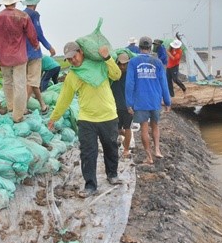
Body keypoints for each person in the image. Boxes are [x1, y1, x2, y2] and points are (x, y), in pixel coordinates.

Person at [47, 41, 122, 197]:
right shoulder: (73, 76)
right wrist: (54, 117)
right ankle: (90, 185)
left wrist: (107, 58)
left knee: (111, 147)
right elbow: (64, 98)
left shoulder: (99, 65)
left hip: (108, 115)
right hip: (87, 119)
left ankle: (112, 174)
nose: (73, 60)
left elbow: (117, 75)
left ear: (81, 52)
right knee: (88, 153)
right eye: (69, 59)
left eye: (74, 56)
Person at [0, 0, 39, 123]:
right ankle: (18, 115)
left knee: (7, 82)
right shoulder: (23, 16)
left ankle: (11, 107)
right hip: (19, 56)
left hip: (4, 57)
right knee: (20, 85)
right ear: (15, 2)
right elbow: (32, 34)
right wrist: (35, 44)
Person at [125, 37, 171, 166]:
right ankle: (157, 150)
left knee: (144, 128)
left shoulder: (133, 62)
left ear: (139, 47)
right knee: (155, 125)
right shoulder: (157, 62)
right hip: (155, 100)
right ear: (150, 48)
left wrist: (129, 103)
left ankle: (149, 157)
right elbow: (164, 83)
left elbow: (129, 84)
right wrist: (167, 101)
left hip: (140, 101)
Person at [22, 0, 56, 114]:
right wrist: (49, 47)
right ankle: (22, 107)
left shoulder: (21, 14)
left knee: (32, 80)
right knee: (32, 81)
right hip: (34, 52)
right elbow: (38, 33)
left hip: (22, 53)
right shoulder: (34, 14)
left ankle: (42, 105)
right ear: (35, 3)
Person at [110, 52, 132, 160]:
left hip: (128, 107)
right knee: (117, 130)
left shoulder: (130, 75)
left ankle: (126, 149)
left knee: (127, 128)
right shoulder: (113, 75)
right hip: (115, 107)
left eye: (124, 64)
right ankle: (126, 138)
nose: (122, 66)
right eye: (120, 64)